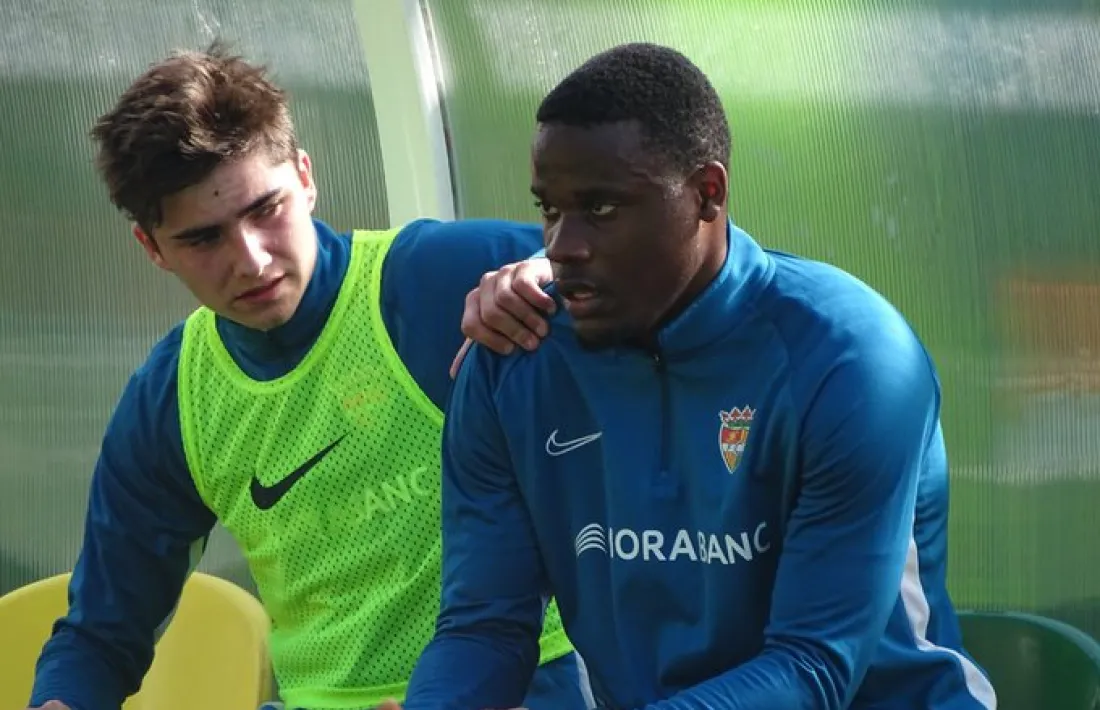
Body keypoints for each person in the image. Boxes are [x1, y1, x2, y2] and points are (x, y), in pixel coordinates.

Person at [400, 42, 999, 709]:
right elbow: (485, 628)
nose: (561, 246)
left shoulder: (851, 360)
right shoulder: (515, 358)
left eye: (601, 209)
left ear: (707, 194)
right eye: (549, 209)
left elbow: (813, 668)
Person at [24, 43, 588, 710]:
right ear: (152, 248)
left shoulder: (440, 278)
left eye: (265, 209)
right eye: (203, 240)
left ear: (306, 176)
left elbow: (699, 281)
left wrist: (558, 273)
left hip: (522, 691)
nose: (252, 260)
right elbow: (99, 636)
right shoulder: (172, 396)